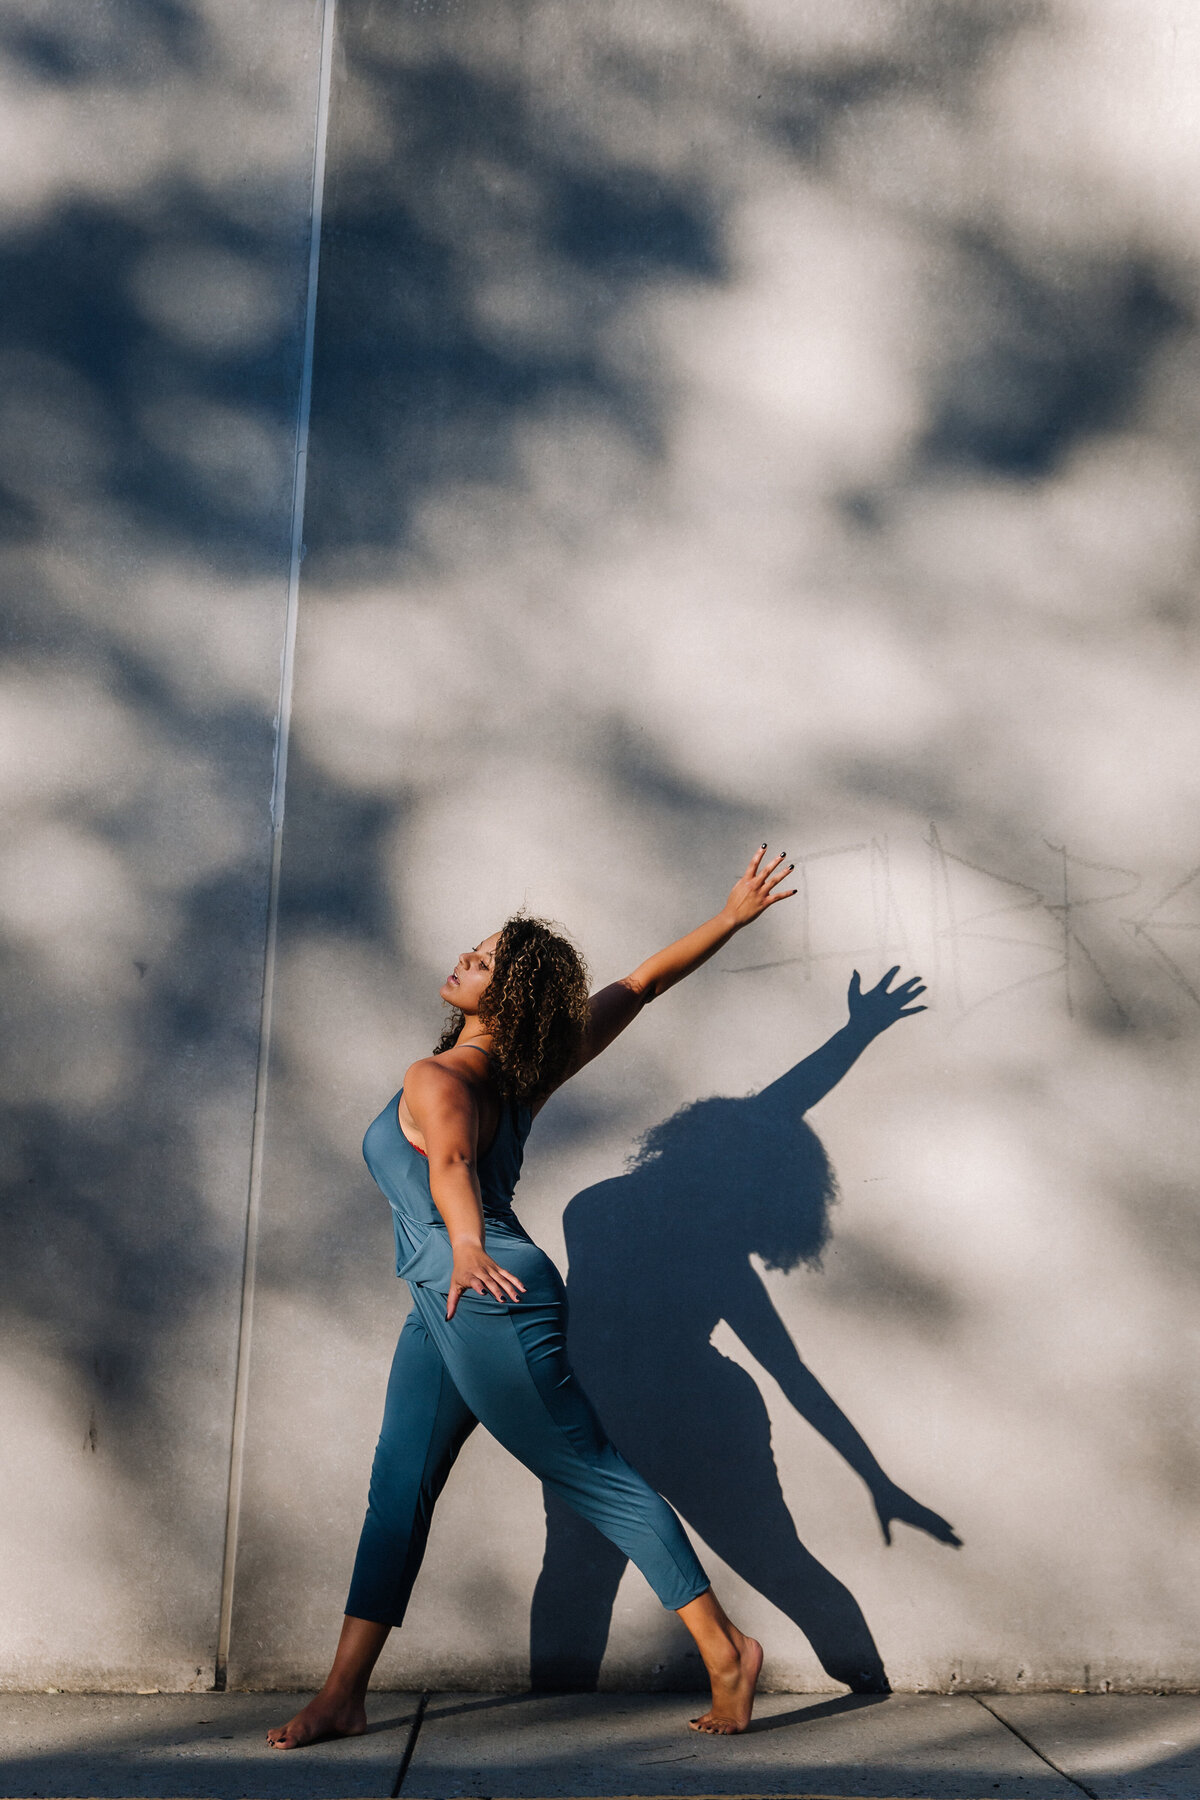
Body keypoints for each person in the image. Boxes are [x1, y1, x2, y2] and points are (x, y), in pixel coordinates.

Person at [267, 847, 916, 1748]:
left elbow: (450, 1165)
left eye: (486, 960)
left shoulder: (440, 1077)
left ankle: (726, 1648)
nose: (465, 958)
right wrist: (737, 925)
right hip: (442, 1299)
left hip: (481, 1287)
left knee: (595, 1476)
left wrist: (461, 1244)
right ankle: (343, 1691)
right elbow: (645, 984)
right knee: (397, 1488)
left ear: (512, 995)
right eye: (476, 948)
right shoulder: (524, 1073)